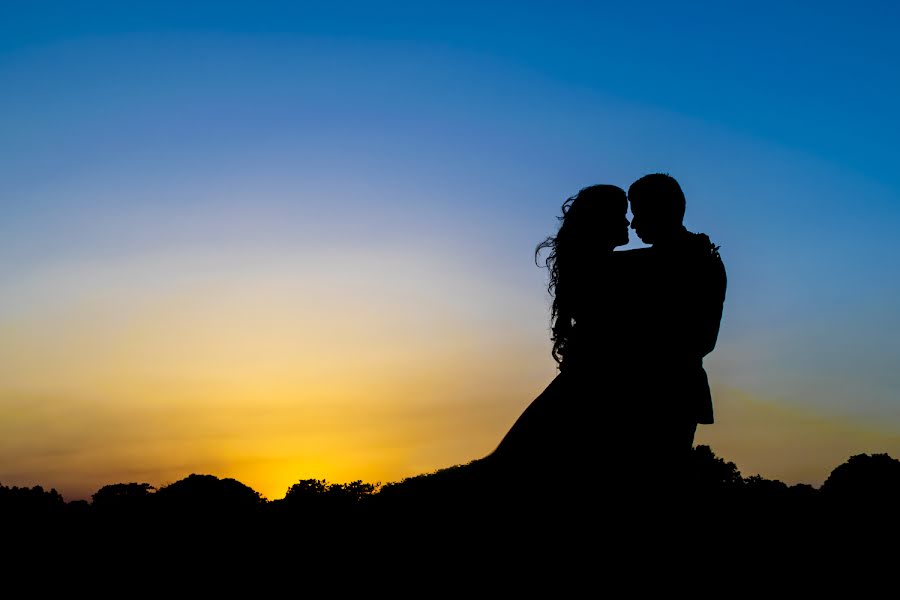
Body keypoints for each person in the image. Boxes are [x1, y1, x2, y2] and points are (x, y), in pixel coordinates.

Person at [623, 173, 727, 499]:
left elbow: (702, 339)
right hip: (677, 390)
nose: (632, 223)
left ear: (663, 210)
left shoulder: (680, 261)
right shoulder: (700, 257)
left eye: (639, 212)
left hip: (665, 394)